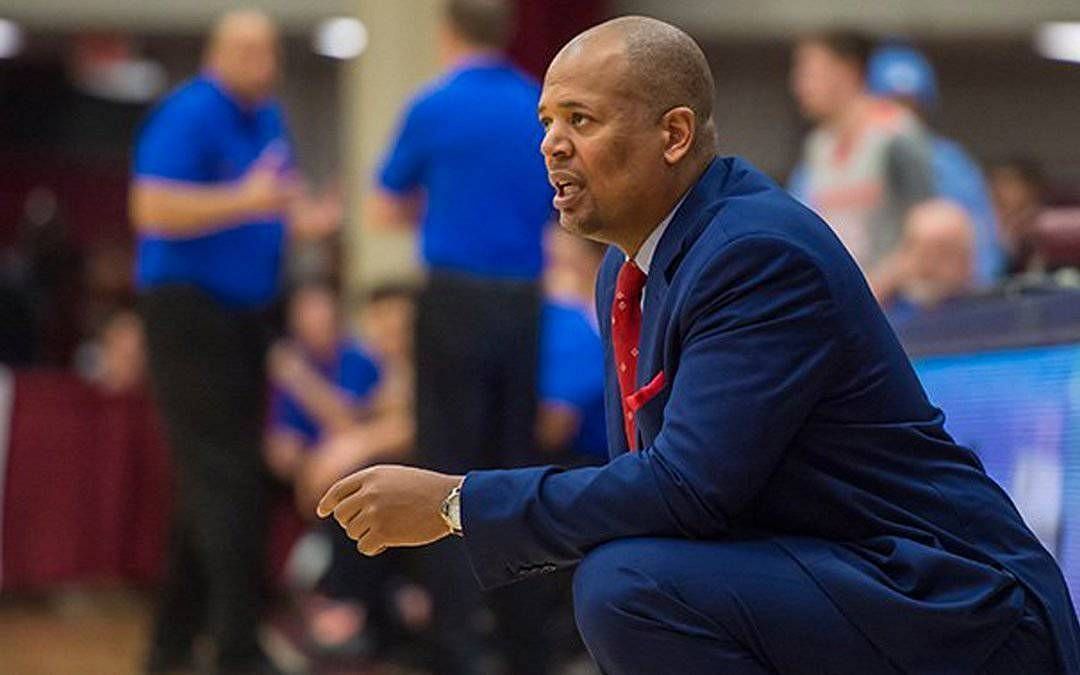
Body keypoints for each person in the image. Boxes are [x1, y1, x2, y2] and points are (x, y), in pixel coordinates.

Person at [317, 16, 1080, 675]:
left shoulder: (757, 252)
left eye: (580, 120)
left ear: (674, 134)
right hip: (845, 579)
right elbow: (649, 489)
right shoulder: (626, 266)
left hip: (962, 604)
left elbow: (686, 488)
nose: (551, 145)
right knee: (625, 571)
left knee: (631, 584)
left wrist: (457, 501)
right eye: (546, 121)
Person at [129, 9, 340, 673]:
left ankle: (169, 645)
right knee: (228, 480)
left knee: (211, 484)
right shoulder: (189, 113)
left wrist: (306, 221)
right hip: (189, 314)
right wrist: (245, 201)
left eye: (270, 51)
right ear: (216, 54)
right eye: (248, 51)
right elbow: (152, 208)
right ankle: (238, 646)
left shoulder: (270, 117)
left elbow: (273, 208)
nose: (264, 62)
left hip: (249, 315)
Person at [366, 0, 554, 671]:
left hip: (454, 301)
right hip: (521, 303)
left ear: (446, 32)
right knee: (514, 466)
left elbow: (385, 203)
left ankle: (460, 645)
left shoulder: (432, 105)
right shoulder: (538, 105)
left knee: (443, 469)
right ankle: (525, 642)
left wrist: (446, 199)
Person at [789, 31, 935, 291]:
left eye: (809, 72)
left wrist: (873, 290)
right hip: (835, 300)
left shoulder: (897, 134)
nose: (799, 85)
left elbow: (927, 230)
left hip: (890, 304)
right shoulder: (818, 146)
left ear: (846, 71)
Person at [867, 43, 1003, 287]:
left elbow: (984, 245)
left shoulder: (951, 162)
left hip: (930, 303)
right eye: (891, 104)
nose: (901, 117)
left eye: (910, 105)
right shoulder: (833, 158)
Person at [537, 227, 608, 463]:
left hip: (584, 461)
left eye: (557, 265)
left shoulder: (572, 324)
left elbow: (554, 427)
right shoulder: (561, 316)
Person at [876, 199, 977, 327]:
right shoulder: (891, 308)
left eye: (943, 253)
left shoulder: (979, 312)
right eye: (922, 252)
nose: (929, 265)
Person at [989, 157, 1048, 275]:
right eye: (994, 183)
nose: (998, 190)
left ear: (1031, 189)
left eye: (1008, 183)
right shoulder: (985, 227)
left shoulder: (1044, 226)